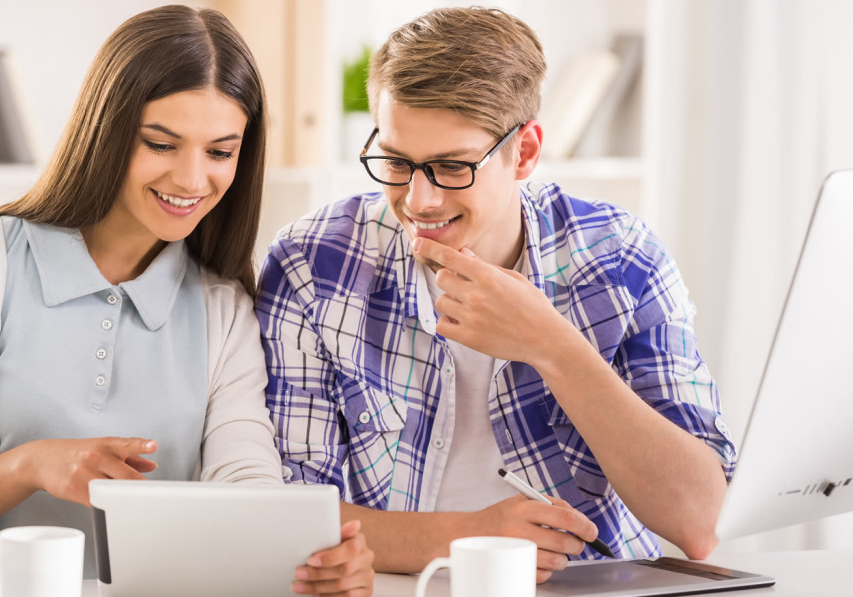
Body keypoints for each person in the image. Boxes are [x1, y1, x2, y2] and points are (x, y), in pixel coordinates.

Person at [0, 5, 373, 595]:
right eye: (161, 143)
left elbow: (247, 485)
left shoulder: (222, 306)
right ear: (105, 128)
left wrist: (311, 560)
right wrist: (28, 466)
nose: (191, 178)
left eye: (220, 152)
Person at [255, 6, 737, 583]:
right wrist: (465, 537)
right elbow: (281, 515)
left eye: (452, 167)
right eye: (396, 161)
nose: (418, 201)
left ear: (525, 152)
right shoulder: (313, 263)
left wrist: (552, 345)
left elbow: (700, 519)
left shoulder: (622, 259)